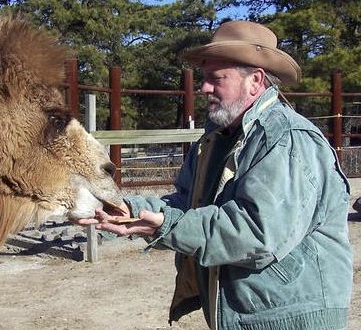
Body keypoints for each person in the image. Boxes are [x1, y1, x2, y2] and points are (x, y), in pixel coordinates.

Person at [71, 20, 353, 330]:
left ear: (255, 82)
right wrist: (129, 210)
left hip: (292, 319)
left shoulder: (286, 139)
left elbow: (257, 234)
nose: (204, 88)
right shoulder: (217, 137)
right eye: (205, 78)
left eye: (216, 78)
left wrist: (168, 224)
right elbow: (186, 202)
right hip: (247, 316)